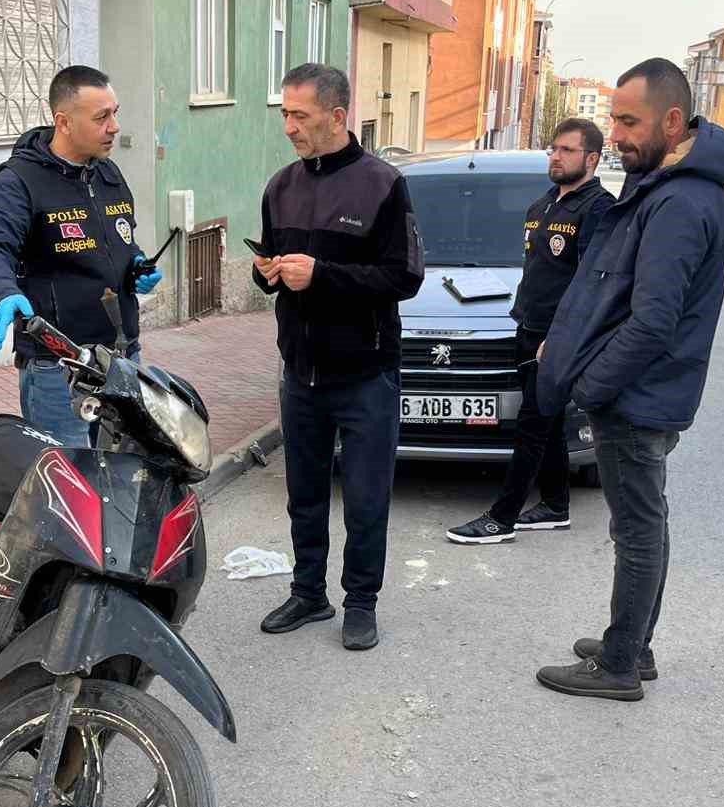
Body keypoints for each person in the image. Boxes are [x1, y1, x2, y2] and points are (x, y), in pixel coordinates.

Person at [533, 58, 724, 701]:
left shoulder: (680, 201)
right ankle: (634, 644)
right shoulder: (670, 186)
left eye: (629, 121)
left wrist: (590, 386)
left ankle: (621, 664)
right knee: (646, 524)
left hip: (636, 395)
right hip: (645, 390)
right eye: (614, 119)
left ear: (673, 121)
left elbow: (653, 322)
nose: (617, 134)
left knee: (637, 531)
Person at [252, 63, 425, 651]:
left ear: (338, 116)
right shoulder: (280, 186)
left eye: (299, 116)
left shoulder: (382, 183)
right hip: (300, 371)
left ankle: (361, 602)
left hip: (365, 373)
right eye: (285, 115)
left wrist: (321, 274)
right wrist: (269, 274)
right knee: (303, 491)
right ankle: (308, 593)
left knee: (366, 495)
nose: (289, 128)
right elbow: (278, 269)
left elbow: (404, 276)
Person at [0, 65, 162, 443]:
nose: (114, 126)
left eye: (115, 113)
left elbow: (120, 242)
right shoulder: (19, 181)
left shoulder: (108, 175)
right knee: (72, 488)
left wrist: (135, 265)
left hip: (122, 359)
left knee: (128, 478)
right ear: (64, 122)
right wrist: (3, 293)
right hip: (59, 369)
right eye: (101, 117)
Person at [446, 118, 614, 545]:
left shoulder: (597, 209)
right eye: (553, 149)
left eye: (567, 150)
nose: (556, 157)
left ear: (592, 159)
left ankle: (501, 519)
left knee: (532, 425)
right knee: (549, 421)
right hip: (527, 328)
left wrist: (559, 340)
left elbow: (591, 286)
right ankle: (555, 506)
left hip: (556, 339)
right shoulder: (543, 205)